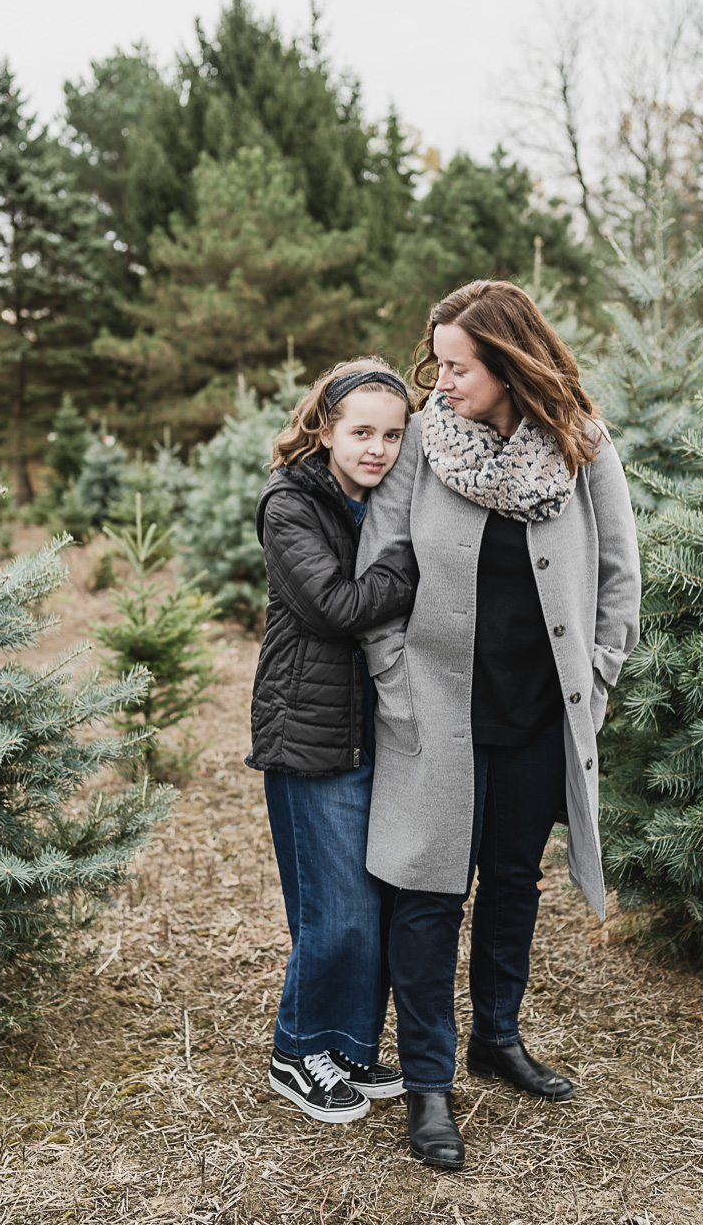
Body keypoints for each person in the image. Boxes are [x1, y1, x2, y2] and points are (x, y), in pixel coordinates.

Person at [356, 281, 641, 1169]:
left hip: (539, 714)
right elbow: (379, 571)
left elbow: (618, 576)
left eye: (458, 367)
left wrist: (594, 677)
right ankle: (429, 1081)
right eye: (436, 363)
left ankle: (499, 1038)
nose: (439, 383)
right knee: (431, 893)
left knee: (514, 880)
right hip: (436, 713)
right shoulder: (423, 449)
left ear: (510, 365)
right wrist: (396, 682)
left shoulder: (582, 448)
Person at [245, 357, 418, 1124]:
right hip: (309, 732)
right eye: (361, 432)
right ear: (324, 428)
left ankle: (346, 1045)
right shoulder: (290, 503)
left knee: (375, 902)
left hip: (375, 727)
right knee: (335, 910)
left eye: (392, 434)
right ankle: (295, 1049)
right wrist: (419, 566)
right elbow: (336, 605)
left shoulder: (386, 500)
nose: (377, 448)